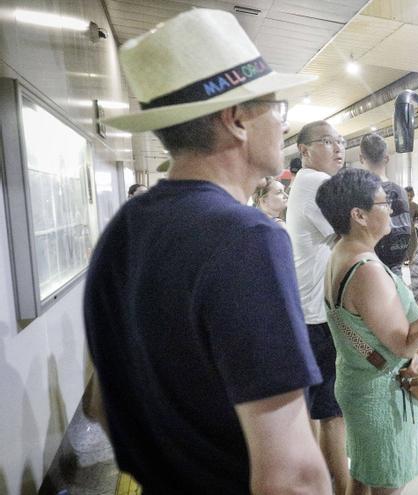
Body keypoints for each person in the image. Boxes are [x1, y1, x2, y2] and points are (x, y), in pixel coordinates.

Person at [83, 9, 330, 495]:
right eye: (276, 106)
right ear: (236, 119)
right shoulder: (247, 239)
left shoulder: (123, 231)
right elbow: (292, 474)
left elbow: (100, 405)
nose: (283, 121)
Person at [315, 167, 418, 495]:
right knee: (388, 479)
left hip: (357, 379)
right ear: (358, 214)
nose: (392, 209)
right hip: (381, 394)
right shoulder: (367, 271)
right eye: (383, 203)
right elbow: (405, 344)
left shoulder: (340, 252)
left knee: (363, 473)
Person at [286, 120, 349, 495]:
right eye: (327, 142)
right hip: (317, 316)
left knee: (323, 411)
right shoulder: (313, 182)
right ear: (304, 150)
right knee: (327, 412)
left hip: (312, 311)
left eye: (340, 142)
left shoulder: (310, 182)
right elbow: (350, 233)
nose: (338, 148)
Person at [359, 133, 411, 276]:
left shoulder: (358, 192)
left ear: (361, 158)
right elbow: (408, 235)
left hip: (367, 269)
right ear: (386, 158)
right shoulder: (400, 192)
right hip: (395, 271)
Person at [405, 186, 418, 263]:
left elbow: (416, 219)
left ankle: (412, 274)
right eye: (408, 195)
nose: (410, 197)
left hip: (412, 233)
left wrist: (414, 224)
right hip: (403, 233)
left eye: (411, 195)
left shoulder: (416, 206)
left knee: (413, 256)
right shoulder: (400, 205)